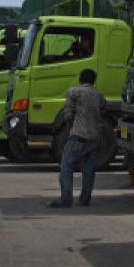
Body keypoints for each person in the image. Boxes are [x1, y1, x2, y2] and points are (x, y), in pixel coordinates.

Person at [48, 68, 109, 208]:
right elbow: (103, 112)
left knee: (66, 166)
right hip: (95, 136)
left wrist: (70, 130)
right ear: (94, 80)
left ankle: (66, 199)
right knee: (89, 169)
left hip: (79, 134)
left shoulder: (74, 92)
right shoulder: (99, 95)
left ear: (80, 79)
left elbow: (68, 114)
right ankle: (85, 198)